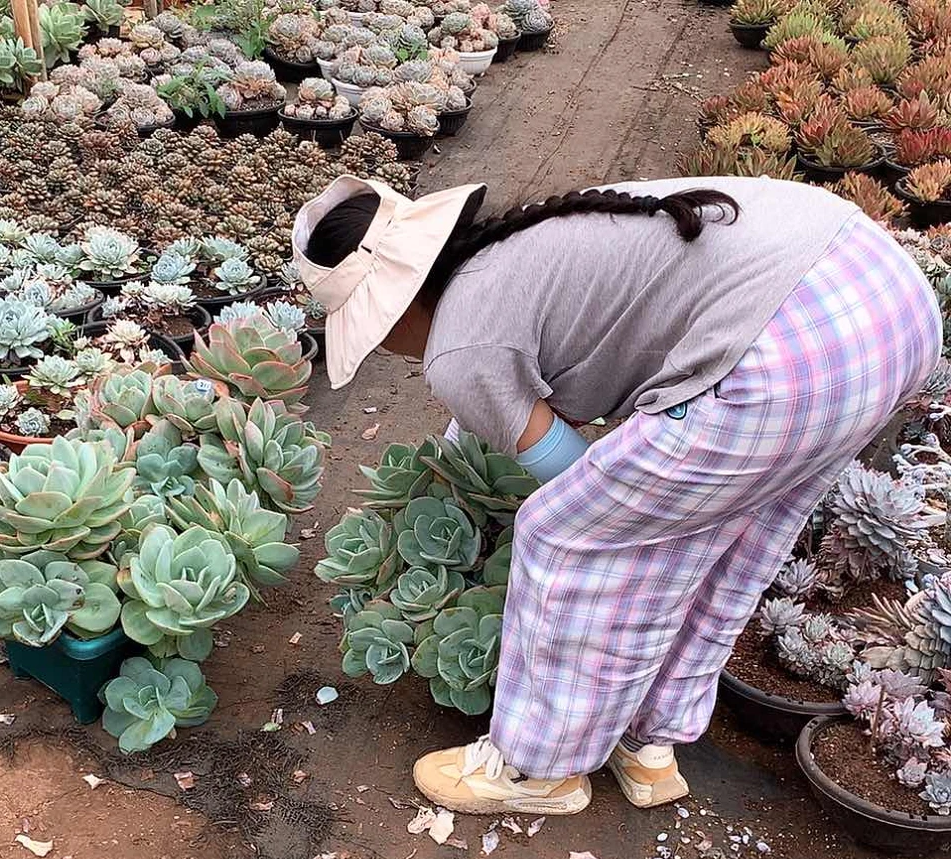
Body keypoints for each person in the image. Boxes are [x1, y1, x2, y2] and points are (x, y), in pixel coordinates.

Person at [291, 173, 942, 816]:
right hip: (879, 298)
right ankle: (649, 743)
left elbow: (575, 476)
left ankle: (539, 768)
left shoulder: (458, 348)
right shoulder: (520, 239)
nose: (385, 349)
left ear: (395, 304)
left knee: (567, 531)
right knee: (730, 533)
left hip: (790, 353)